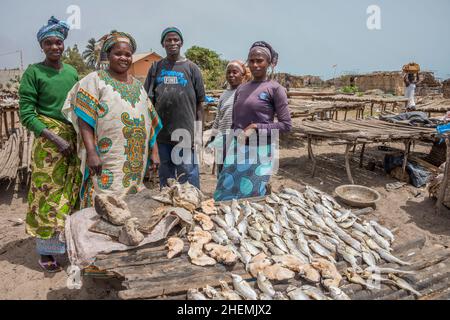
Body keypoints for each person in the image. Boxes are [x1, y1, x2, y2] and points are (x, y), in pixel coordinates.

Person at [62, 31, 162, 208]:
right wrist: (91, 152)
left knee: (131, 202)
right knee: (104, 200)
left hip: (135, 161)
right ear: (108, 55)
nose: (123, 58)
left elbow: (150, 122)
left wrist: (154, 152)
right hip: (106, 157)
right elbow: (84, 119)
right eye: (118, 53)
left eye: (127, 54)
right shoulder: (95, 80)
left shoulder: (139, 87)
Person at [19, 16, 81, 273]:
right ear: (42, 46)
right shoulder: (33, 72)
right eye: (49, 43)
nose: (55, 47)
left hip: (73, 141)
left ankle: (67, 244)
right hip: (49, 145)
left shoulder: (72, 72)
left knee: (70, 193)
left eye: (58, 42)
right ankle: (46, 250)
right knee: (47, 196)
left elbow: (79, 106)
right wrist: (55, 139)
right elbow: (26, 114)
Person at [214, 41, 292, 201]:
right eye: (251, 60)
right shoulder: (242, 88)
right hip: (237, 148)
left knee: (253, 197)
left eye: (260, 60)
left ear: (269, 63)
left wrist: (256, 126)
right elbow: (235, 123)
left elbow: (286, 125)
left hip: (260, 151)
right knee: (225, 193)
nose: (255, 64)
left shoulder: (275, 89)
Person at [144, 27, 205, 189]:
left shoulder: (192, 68)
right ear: (162, 44)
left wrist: (198, 134)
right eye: (168, 40)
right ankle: (169, 211)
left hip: (185, 135)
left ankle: (192, 210)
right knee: (166, 177)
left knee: (188, 176)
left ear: (181, 42)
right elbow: (147, 105)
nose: (172, 43)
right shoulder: (155, 68)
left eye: (175, 40)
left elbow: (200, 104)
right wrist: (151, 138)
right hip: (162, 136)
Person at [208, 60, 250, 174]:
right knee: (222, 172)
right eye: (228, 72)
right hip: (222, 139)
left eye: (235, 72)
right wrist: (212, 137)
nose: (231, 75)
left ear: (243, 75)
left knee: (236, 173)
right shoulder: (224, 95)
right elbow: (218, 118)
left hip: (239, 139)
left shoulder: (247, 93)